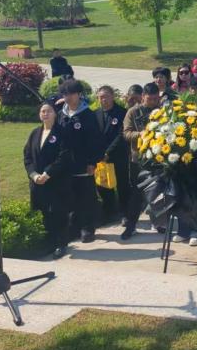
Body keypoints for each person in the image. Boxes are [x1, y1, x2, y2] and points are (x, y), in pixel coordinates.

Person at [57, 78, 104, 243]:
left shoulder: (88, 115)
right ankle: (73, 227)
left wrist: (93, 162)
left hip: (84, 163)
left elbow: (96, 141)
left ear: (79, 94)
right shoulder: (61, 114)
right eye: (65, 94)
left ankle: (87, 228)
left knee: (86, 196)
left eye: (71, 94)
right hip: (66, 164)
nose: (68, 97)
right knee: (70, 196)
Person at [24, 103, 73, 259]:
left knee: (58, 213)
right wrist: (33, 175)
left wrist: (47, 173)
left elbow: (64, 156)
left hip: (56, 181)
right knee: (44, 213)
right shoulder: (34, 133)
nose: (45, 113)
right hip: (38, 183)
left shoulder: (62, 133)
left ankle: (61, 244)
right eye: (42, 111)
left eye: (49, 111)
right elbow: (27, 157)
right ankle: (49, 243)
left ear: (55, 114)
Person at [121, 82, 162, 239]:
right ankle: (131, 226)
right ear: (143, 96)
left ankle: (159, 223)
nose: (153, 102)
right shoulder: (133, 112)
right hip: (139, 159)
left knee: (158, 192)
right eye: (150, 99)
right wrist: (142, 134)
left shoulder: (162, 111)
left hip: (158, 157)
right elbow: (126, 133)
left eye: (155, 99)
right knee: (136, 195)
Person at [94, 86, 129, 225]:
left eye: (106, 96)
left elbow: (121, 135)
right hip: (100, 157)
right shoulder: (95, 114)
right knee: (103, 185)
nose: (104, 100)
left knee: (122, 184)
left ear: (113, 96)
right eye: (101, 97)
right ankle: (109, 212)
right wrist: (100, 153)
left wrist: (108, 152)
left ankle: (125, 213)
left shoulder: (122, 113)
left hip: (117, 155)